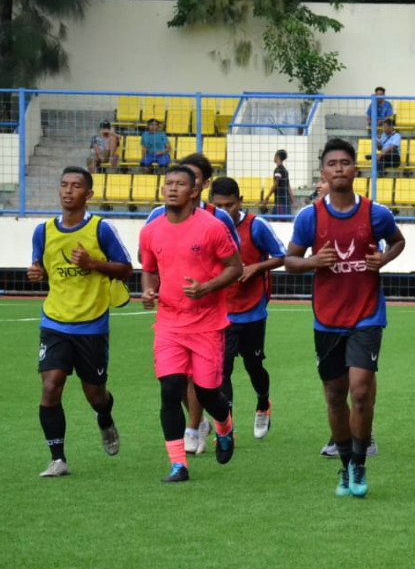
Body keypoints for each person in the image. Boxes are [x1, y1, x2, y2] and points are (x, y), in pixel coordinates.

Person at [284, 138, 406, 498]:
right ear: (323, 172)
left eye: (345, 163)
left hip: (367, 315)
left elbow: (397, 242)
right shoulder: (310, 217)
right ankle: (344, 465)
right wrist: (311, 262)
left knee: (361, 391)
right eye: (332, 164)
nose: (339, 169)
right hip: (327, 319)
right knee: (335, 396)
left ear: (356, 170)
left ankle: (360, 461)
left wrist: (384, 259)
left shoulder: (375, 213)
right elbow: (289, 261)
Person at [138, 165, 243, 483]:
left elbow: (235, 268)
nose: (171, 188)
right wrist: (148, 288)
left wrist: (206, 288)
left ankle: (224, 426)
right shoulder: (151, 230)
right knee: (170, 390)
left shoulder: (212, 227)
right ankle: (178, 465)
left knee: (208, 392)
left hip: (207, 324)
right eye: (167, 183)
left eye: (179, 184)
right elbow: (149, 268)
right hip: (169, 323)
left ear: (194, 190)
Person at [28, 166, 133, 477]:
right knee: (51, 386)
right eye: (63, 185)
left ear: (88, 194)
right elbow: (41, 267)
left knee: (96, 395)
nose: (67, 190)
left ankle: (105, 418)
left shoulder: (101, 229)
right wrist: (37, 274)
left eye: (75, 186)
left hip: (92, 324)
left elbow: (126, 269)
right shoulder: (43, 231)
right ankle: (58, 458)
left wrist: (92, 263)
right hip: (55, 321)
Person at [209, 176, 287, 439]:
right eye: (219, 206)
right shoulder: (207, 226)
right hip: (221, 312)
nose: (225, 211)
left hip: (252, 310)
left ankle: (263, 403)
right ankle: (227, 426)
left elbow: (281, 256)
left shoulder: (256, 226)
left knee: (254, 366)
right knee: (223, 370)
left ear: (240, 201)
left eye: (230, 205)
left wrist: (256, 267)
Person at [270, 149, 293, 215]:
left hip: (280, 201)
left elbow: (275, 184)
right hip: (285, 201)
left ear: (277, 156)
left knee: (280, 221)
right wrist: (292, 200)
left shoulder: (278, 170)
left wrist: (267, 197)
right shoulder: (285, 170)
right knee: (272, 219)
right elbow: (288, 186)